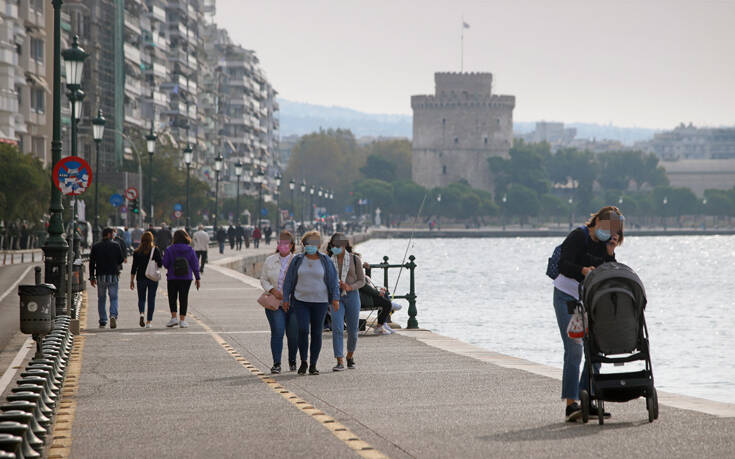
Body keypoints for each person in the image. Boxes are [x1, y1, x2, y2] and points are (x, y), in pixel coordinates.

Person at [553, 206, 623, 422]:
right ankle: (571, 404)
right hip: (567, 297)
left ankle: (587, 399)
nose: (610, 235)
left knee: (594, 349)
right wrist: (582, 271)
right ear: (598, 222)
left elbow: (610, 272)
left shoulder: (605, 245)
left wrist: (610, 252)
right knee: (574, 348)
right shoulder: (578, 236)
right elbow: (563, 264)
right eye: (608, 229)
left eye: (615, 232)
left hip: (590, 300)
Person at [282, 230, 339, 376]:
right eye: (307, 243)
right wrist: (286, 299)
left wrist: (335, 299)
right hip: (301, 300)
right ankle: (303, 361)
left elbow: (333, 281)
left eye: (313, 243)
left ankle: (313, 364)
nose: (310, 246)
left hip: (320, 301)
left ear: (319, 245)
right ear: (303, 245)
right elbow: (288, 280)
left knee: (316, 332)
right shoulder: (297, 260)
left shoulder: (326, 261)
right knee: (303, 330)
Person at [259, 231, 298, 374]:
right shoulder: (270, 260)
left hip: (293, 304)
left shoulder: (297, 260)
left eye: (286, 243)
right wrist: (272, 290)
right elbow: (263, 279)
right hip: (275, 303)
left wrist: (288, 296)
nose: (283, 245)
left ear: (292, 245)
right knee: (277, 332)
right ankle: (276, 363)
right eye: (280, 243)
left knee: (293, 334)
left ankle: (292, 360)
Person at [326, 233, 365, 371]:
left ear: (344, 245)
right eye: (333, 245)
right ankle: (339, 360)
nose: (335, 248)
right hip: (336, 297)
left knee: (353, 330)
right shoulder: (329, 261)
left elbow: (362, 280)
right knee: (337, 328)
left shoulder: (355, 260)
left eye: (338, 245)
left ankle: (349, 355)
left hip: (352, 295)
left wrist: (349, 286)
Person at [162, 229, 201, 328]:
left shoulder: (169, 249)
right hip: (186, 277)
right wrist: (197, 277)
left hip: (172, 277)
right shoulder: (190, 249)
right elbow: (195, 264)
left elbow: (165, 264)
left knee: (172, 297)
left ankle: (174, 318)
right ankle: (182, 320)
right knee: (184, 298)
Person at [89, 227, 125, 328]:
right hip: (113, 275)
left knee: (101, 299)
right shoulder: (116, 245)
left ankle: (103, 320)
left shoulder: (96, 246)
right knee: (113, 298)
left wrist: (92, 277)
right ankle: (113, 315)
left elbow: (92, 263)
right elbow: (121, 260)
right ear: (109, 235)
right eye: (113, 234)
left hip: (100, 276)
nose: (114, 236)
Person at [130, 231, 162, 328]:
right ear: (152, 239)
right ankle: (148, 321)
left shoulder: (137, 252)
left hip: (140, 278)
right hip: (152, 277)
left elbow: (134, 267)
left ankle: (142, 314)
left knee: (141, 298)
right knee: (151, 299)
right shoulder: (155, 250)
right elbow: (160, 264)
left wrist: (131, 280)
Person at [360, 262, 395, 335]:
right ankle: (379, 327)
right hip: (364, 300)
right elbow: (365, 287)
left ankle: (382, 324)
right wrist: (378, 293)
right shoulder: (357, 274)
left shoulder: (357, 272)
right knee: (387, 304)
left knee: (384, 295)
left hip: (366, 297)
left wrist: (367, 269)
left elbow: (367, 282)